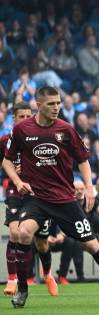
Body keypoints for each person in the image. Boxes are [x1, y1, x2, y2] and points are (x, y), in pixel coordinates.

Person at [2, 86, 99, 308]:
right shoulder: (21, 130)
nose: (57, 107)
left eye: (58, 103)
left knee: (92, 246)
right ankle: (22, 289)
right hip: (36, 199)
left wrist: (89, 187)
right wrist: (19, 182)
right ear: (38, 106)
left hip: (64, 199)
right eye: (51, 103)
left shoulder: (66, 130)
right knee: (23, 234)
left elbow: (83, 160)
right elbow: (8, 160)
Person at [2, 102, 57, 297]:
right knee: (15, 234)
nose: (26, 120)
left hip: (38, 194)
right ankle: (12, 280)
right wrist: (12, 175)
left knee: (41, 243)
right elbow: (4, 163)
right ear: (14, 119)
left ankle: (48, 275)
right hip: (16, 193)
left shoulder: (39, 138)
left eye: (28, 116)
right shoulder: (5, 140)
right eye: (21, 117)